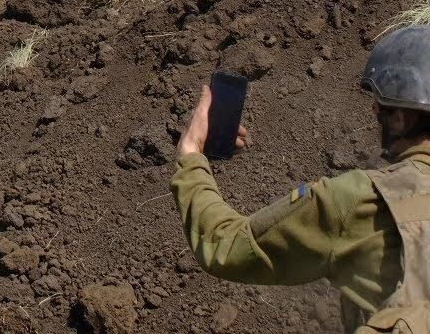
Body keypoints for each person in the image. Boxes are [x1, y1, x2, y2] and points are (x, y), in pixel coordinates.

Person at [173, 26, 430, 332]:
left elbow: (223, 245)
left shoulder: (361, 200)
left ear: (401, 118)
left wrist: (191, 158)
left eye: (378, 110)